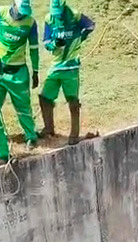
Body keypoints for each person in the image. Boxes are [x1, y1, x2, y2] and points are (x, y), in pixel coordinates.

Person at [40, 0, 96, 146]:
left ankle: (74, 134)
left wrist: (80, 38)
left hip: (71, 68)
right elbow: (46, 41)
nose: (57, 15)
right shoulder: (49, 19)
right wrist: (54, 44)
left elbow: (91, 25)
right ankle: (48, 128)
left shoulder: (75, 16)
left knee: (73, 101)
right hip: (56, 66)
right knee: (45, 97)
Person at [0, 0, 40, 151]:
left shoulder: (30, 23)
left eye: (25, 11)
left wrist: (36, 71)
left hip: (18, 73)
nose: (22, 14)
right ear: (14, 4)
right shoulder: (0, 13)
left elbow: (34, 48)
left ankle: (31, 136)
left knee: (24, 108)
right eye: (20, 10)